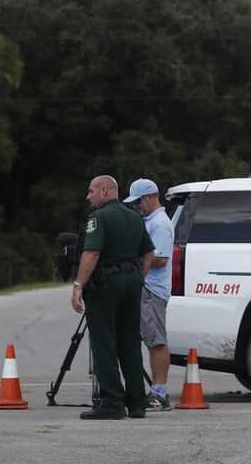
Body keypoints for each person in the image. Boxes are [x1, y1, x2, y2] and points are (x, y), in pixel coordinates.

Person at [70, 175, 154, 420]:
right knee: (130, 341)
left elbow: (92, 253)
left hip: (106, 284)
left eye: (91, 191)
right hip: (132, 283)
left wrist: (78, 285)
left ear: (105, 191)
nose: (88, 197)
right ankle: (137, 402)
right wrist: (137, 276)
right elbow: (148, 253)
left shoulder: (98, 218)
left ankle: (112, 402)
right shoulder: (135, 217)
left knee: (104, 341)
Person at [123, 178, 174, 411]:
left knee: (156, 342)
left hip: (153, 290)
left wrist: (131, 258)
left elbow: (161, 259)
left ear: (151, 196)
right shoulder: (149, 221)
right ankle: (154, 390)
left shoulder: (159, 224)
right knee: (150, 341)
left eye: (139, 201)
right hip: (146, 289)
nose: (136, 206)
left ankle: (159, 393)